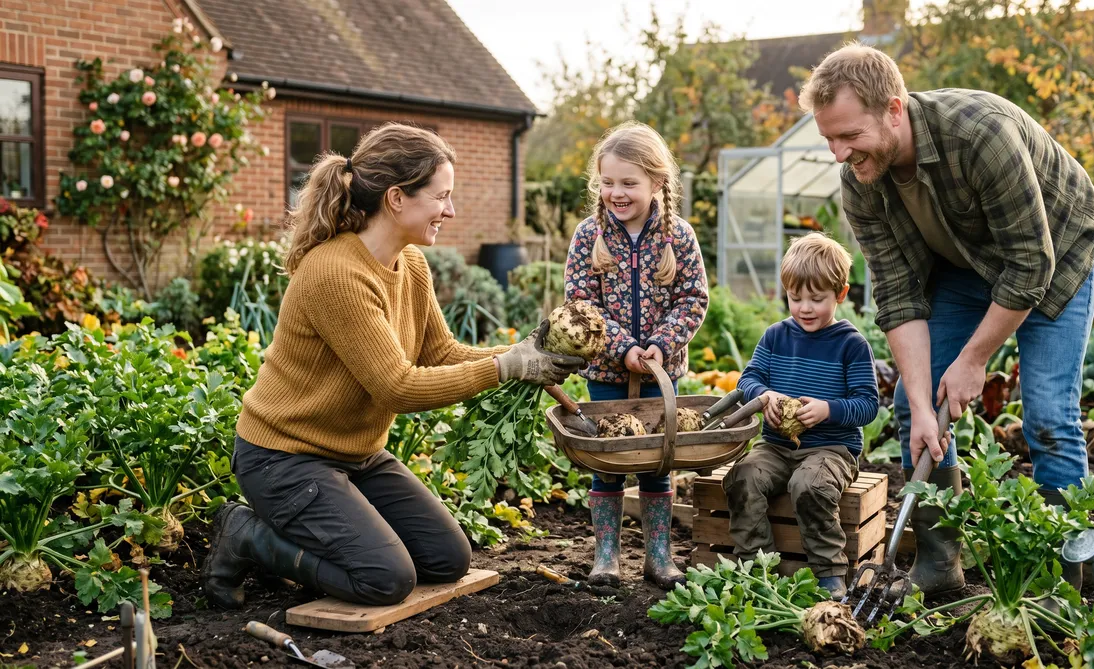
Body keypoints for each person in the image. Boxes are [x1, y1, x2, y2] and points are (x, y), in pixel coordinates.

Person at [201, 122, 585, 609]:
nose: (450, 210)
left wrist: (526, 354)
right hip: (284, 459)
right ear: (397, 198)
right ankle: (247, 536)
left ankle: (308, 538)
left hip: (356, 454)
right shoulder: (336, 273)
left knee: (447, 559)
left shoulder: (411, 263)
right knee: (384, 579)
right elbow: (397, 388)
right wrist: (508, 368)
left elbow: (441, 354)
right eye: (441, 197)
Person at [799, 43, 1094, 595]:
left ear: (894, 108)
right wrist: (921, 404)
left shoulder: (978, 133)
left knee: (1047, 419)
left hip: (1056, 254)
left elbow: (1031, 263)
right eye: (829, 139)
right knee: (912, 407)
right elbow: (896, 292)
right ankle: (940, 564)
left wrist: (974, 360)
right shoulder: (861, 181)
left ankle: (1065, 583)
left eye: (849, 136)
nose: (839, 154)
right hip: (965, 265)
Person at [564, 120, 709, 589]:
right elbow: (581, 305)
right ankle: (606, 557)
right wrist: (623, 347)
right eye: (608, 182)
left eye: (629, 182)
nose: (617, 192)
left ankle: (659, 558)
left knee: (656, 462)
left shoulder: (679, 237)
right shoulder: (588, 237)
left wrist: (661, 346)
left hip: (660, 376)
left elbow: (693, 298)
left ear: (657, 183)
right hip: (606, 375)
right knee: (609, 462)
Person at [722, 233, 879, 599]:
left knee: (809, 486)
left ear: (840, 295)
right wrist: (765, 395)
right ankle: (757, 565)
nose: (805, 308)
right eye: (796, 298)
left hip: (831, 449)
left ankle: (828, 570)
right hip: (776, 446)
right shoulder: (776, 336)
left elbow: (868, 405)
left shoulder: (851, 344)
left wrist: (828, 409)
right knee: (742, 477)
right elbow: (748, 379)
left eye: (817, 299)